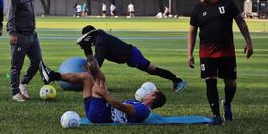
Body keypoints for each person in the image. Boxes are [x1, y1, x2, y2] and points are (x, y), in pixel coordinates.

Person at [188, 0, 253, 125]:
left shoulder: (227, 3)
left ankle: (227, 103)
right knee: (210, 82)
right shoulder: (197, 9)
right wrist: (190, 53)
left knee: (231, 83)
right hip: (206, 54)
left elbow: (241, 22)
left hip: (227, 53)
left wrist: (249, 42)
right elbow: (192, 32)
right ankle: (216, 116)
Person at [47, 25, 187, 92]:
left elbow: (98, 63)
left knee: (152, 69)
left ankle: (178, 80)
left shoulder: (100, 41)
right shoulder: (99, 39)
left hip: (132, 55)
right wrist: (87, 51)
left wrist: (87, 53)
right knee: (152, 70)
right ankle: (176, 79)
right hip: (128, 56)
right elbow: (96, 61)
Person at [40, 55, 166, 124]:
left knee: (100, 82)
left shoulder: (143, 110)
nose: (147, 93)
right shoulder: (141, 105)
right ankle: (53, 76)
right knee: (86, 77)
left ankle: (92, 61)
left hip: (99, 115)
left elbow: (121, 107)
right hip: (98, 110)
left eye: (150, 92)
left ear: (153, 97)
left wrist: (104, 94)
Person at [6, 0, 43, 102]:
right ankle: (15, 92)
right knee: (16, 65)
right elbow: (10, 15)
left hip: (32, 35)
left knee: (37, 61)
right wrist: (12, 32)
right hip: (19, 35)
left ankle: (23, 83)